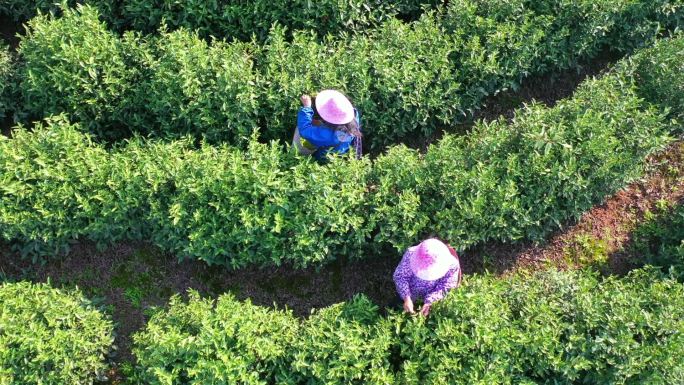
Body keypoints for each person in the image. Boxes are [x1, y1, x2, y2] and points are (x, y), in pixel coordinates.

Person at [393, 238, 462, 316]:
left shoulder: (451, 265)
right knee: (397, 306)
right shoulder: (411, 254)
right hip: (410, 291)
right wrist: (406, 297)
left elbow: (446, 286)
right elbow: (401, 276)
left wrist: (430, 301)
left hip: (432, 294)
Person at [293, 89, 363, 161]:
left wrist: (307, 107)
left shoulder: (328, 134)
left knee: (300, 128)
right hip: (342, 150)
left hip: (325, 157)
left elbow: (305, 130)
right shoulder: (353, 114)